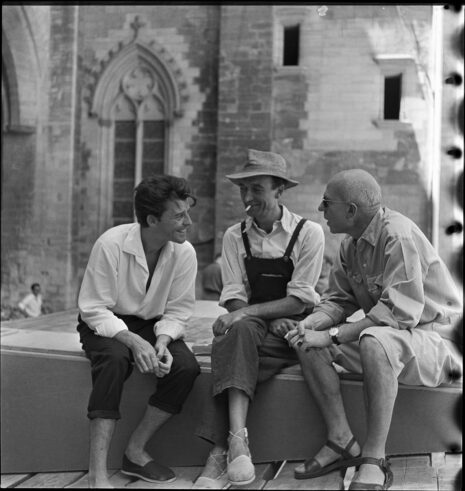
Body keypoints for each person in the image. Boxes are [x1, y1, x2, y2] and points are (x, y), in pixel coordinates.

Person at [286, 169, 463, 490]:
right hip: (399, 340)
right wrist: (313, 323)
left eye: (327, 203)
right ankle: (341, 440)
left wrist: (333, 335)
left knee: (372, 339)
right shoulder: (350, 245)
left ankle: (374, 458)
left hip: (440, 345)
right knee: (307, 344)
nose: (320, 210)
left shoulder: (399, 237)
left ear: (351, 210)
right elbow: (339, 300)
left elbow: (398, 314)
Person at [193, 149, 325, 488]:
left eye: (257, 189)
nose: (247, 198)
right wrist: (256, 317)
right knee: (234, 339)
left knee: (229, 348)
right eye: (243, 189)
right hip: (258, 329)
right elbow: (233, 292)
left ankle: (219, 454)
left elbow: (299, 300)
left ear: (279, 190)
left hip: (295, 331)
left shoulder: (309, 233)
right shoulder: (234, 235)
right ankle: (237, 442)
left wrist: (248, 313)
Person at [77, 174, 201, 488]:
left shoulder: (184, 253)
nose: (188, 221)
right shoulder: (111, 243)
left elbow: (177, 311)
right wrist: (131, 340)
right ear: (151, 219)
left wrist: (162, 341)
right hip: (103, 321)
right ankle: (97, 474)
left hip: (152, 324)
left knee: (185, 367)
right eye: (178, 215)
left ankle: (135, 450)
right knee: (115, 360)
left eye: (187, 212)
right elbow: (93, 308)